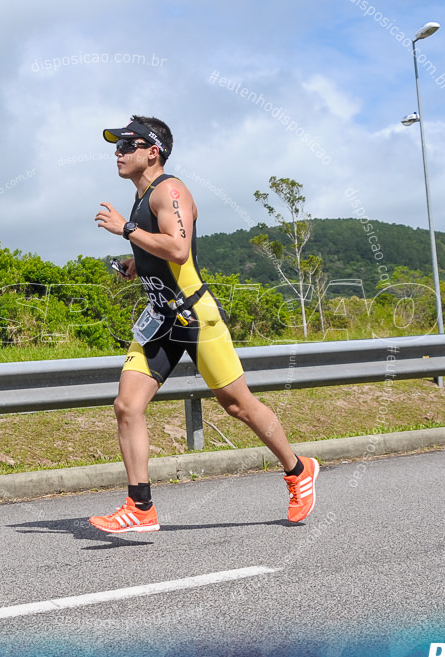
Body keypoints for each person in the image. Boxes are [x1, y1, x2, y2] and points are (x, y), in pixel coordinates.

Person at [91, 115, 319, 533]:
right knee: (127, 405)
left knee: (238, 406)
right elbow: (160, 257)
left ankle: (298, 470)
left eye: (126, 146)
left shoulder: (170, 191)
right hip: (160, 320)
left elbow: (179, 250)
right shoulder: (144, 199)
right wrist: (134, 266)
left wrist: (125, 230)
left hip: (195, 317)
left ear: (152, 151)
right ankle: (140, 508)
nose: (118, 153)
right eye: (116, 147)